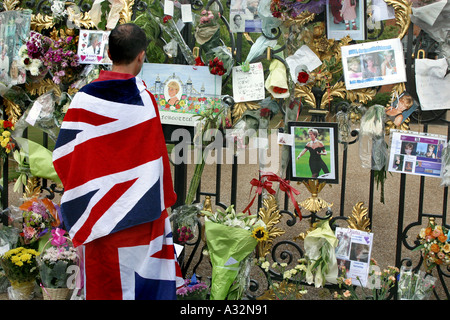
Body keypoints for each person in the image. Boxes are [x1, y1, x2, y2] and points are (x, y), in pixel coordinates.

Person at [52, 23, 182, 300]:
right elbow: (157, 158)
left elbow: (64, 156)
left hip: (97, 217)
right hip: (140, 216)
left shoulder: (83, 100)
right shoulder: (144, 100)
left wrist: (89, 192)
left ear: (108, 53)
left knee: (105, 286)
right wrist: (163, 201)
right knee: (142, 288)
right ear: (141, 56)